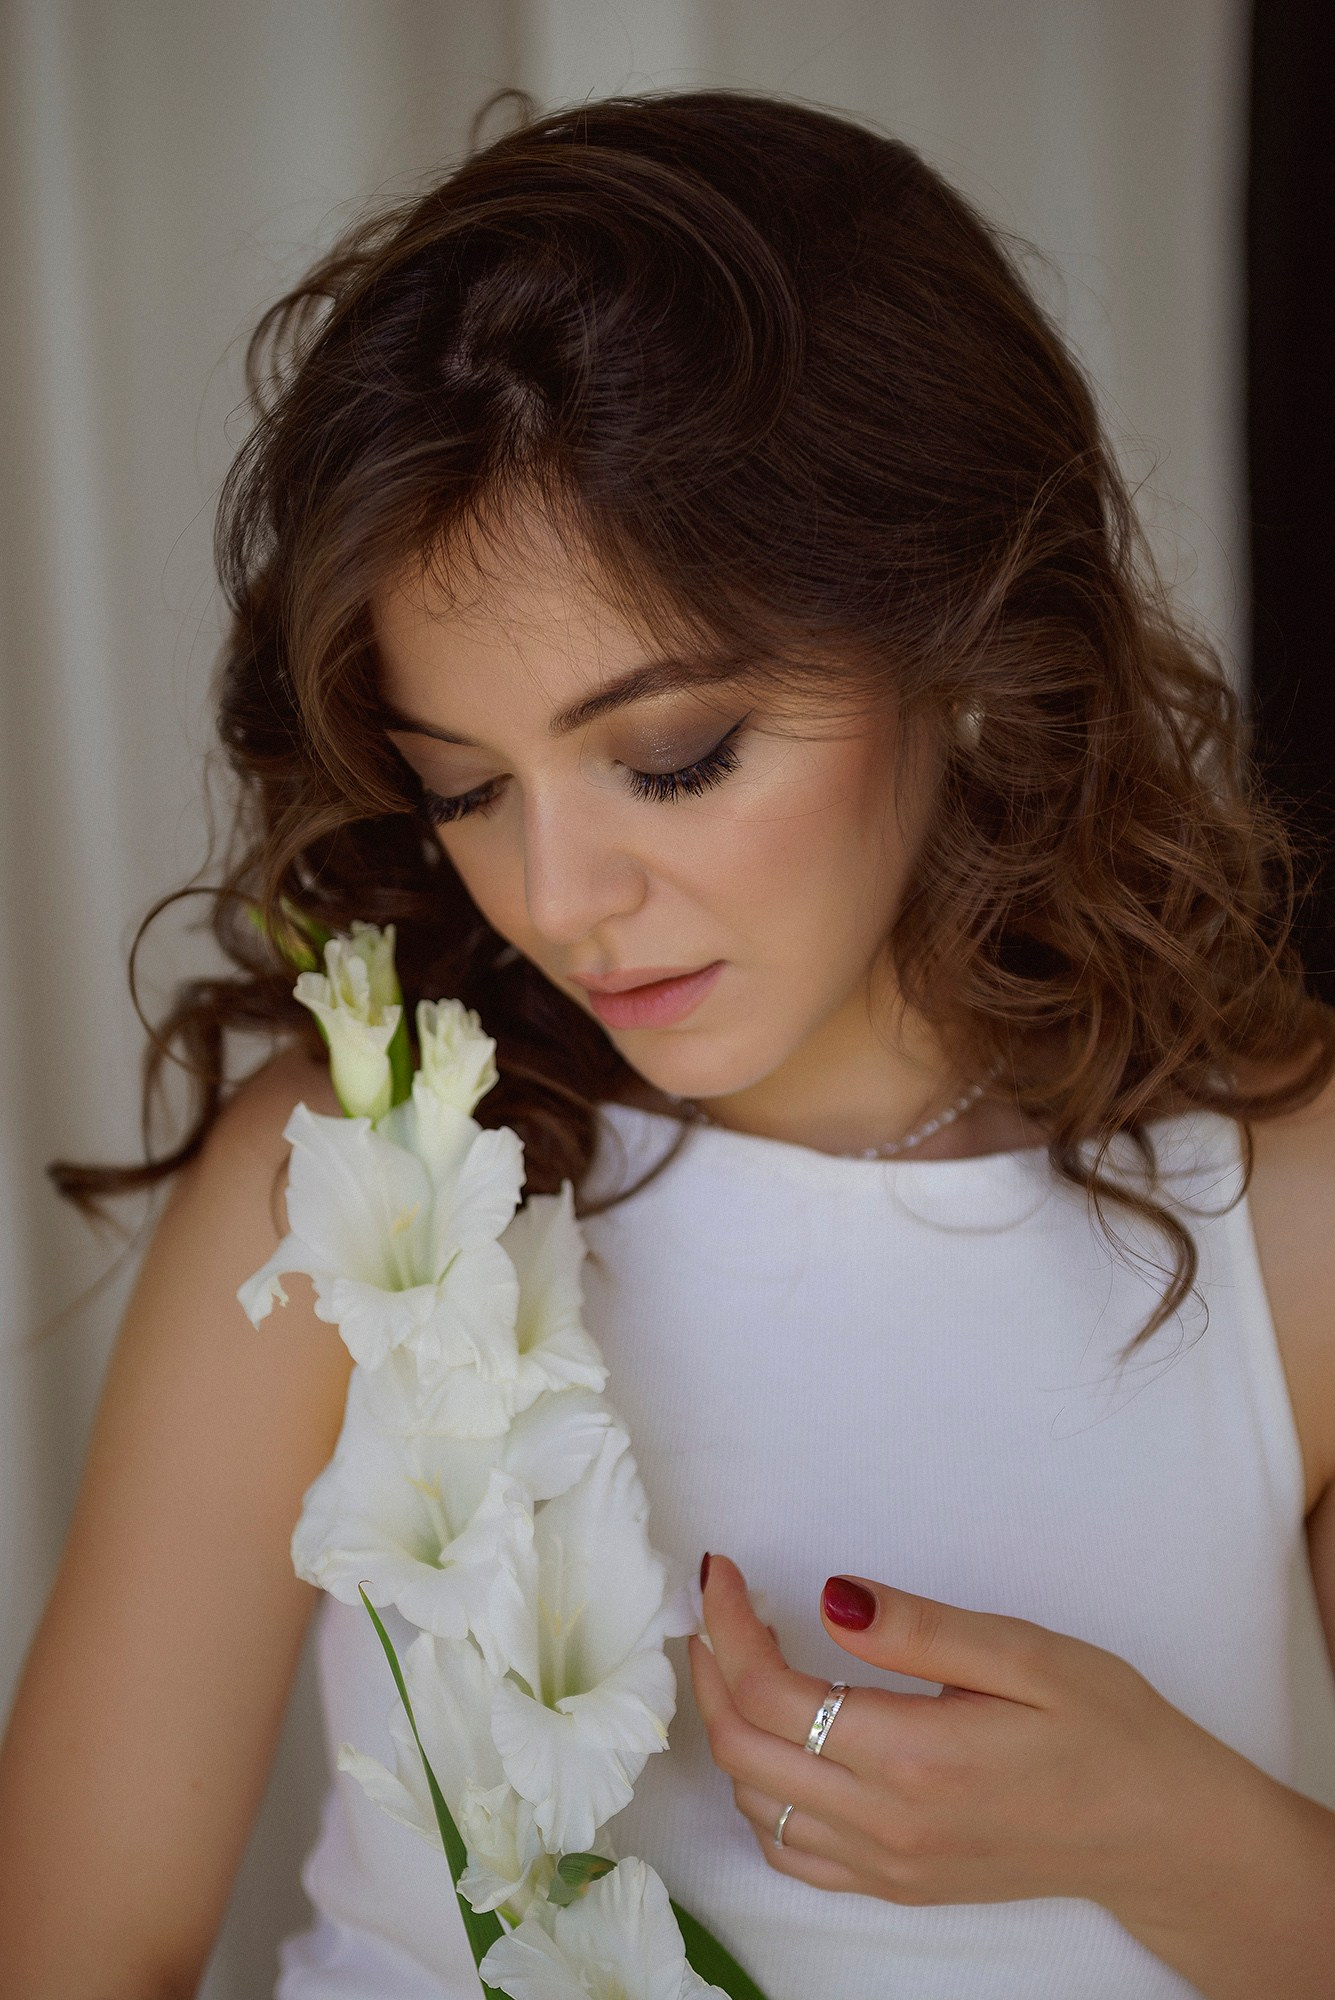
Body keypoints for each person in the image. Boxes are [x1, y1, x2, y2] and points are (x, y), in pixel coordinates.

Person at [1, 84, 1333, 2000]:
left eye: (674, 757)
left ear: (965, 636)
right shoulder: (364, 1187)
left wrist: (1165, 1836)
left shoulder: (1288, 1206)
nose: (558, 899)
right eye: (466, 787)